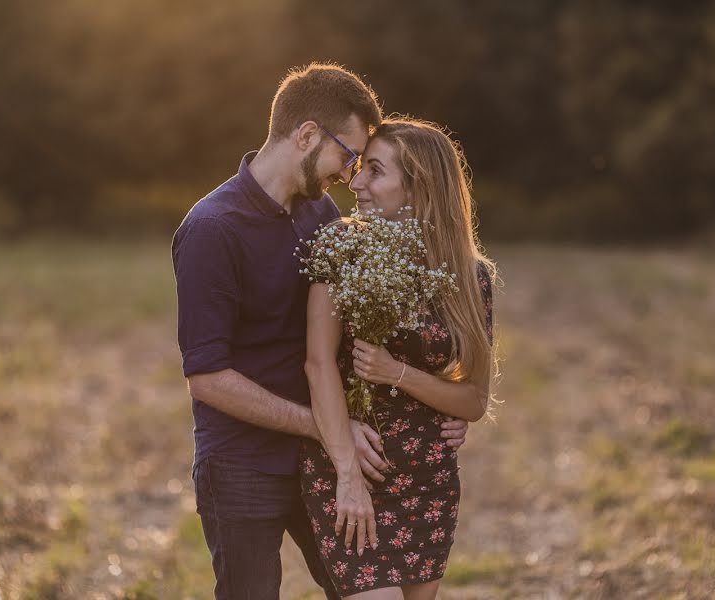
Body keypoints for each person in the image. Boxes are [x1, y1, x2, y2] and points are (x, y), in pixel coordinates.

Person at [172, 65, 471, 600]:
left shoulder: (320, 213)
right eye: (347, 155)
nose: (351, 173)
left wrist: (442, 411)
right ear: (307, 135)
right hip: (243, 462)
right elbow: (208, 378)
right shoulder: (211, 229)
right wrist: (325, 428)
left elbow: (376, 334)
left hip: (326, 457)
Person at [299, 117, 496, 599]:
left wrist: (397, 373)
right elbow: (317, 363)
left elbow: (472, 401)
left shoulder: (472, 277)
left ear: (418, 187)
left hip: (428, 479)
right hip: (352, 470)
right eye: (361, 168)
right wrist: (347, 473)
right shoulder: (340, 246)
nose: (357, 182)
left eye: (375, 171)